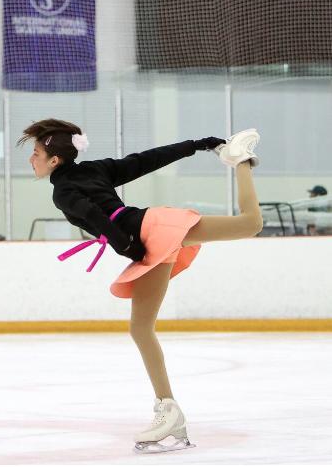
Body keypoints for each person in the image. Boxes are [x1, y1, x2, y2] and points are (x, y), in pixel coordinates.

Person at [18, 119, 263, 454]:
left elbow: (96, 217)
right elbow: (145, 160)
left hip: (148, 230)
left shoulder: (63, 191)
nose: (31, 159)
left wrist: (129, 248)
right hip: (146, 231)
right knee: (141, 327)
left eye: (35, 153)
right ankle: (168, 409)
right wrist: (197, 143)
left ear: (54, 160)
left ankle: (240, 158)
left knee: (250, 224)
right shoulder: (93, 169)